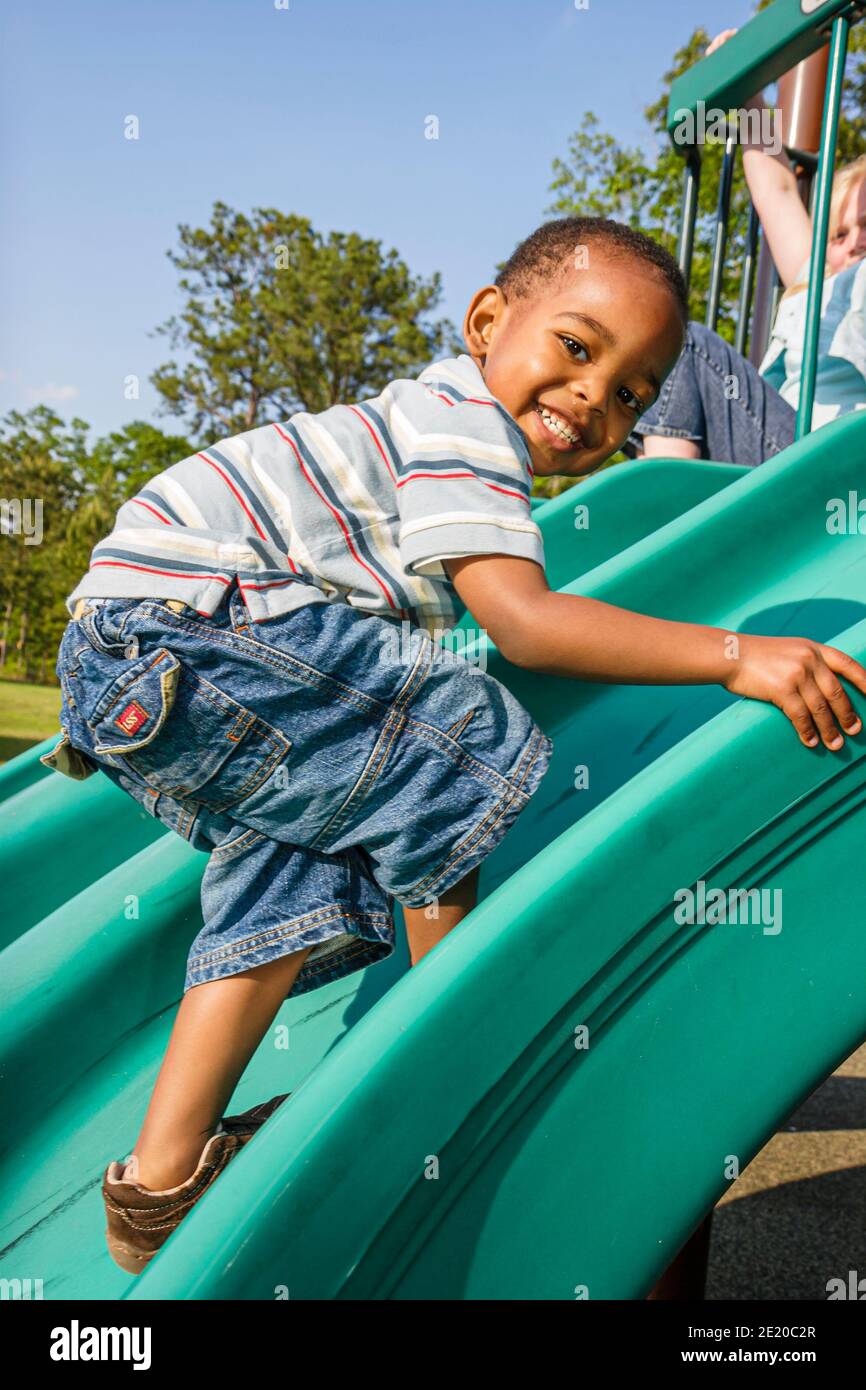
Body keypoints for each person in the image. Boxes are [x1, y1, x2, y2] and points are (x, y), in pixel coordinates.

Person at [43, 215, 866, 1274]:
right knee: (457, 731)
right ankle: (462, 1053)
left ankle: (156, 1186)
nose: (593, 400)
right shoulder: (460, 422)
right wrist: (731, 654)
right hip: (188, 627)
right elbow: (522, 624)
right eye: (576, 348)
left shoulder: (424, 440)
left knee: (299, 858)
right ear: (487, 321)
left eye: (628, 393)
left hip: (136, 663)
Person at [633, 28, 866, 466]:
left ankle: (667, 501)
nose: (853, 242)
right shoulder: (814, 278)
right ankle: (669, 492)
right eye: (838, 233)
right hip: (777, 451)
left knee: (689, 343)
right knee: (670, 338)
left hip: (836, 463)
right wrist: (749, 97)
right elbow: (776, 191)